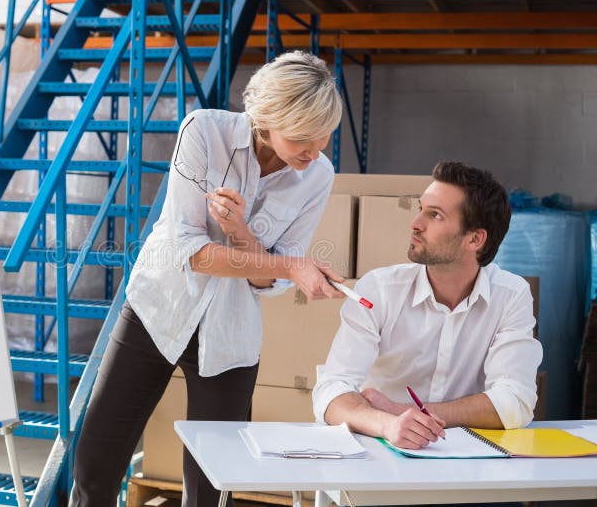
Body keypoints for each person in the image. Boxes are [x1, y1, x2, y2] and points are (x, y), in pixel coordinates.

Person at [71, 51, 345, 507]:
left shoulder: (317, 176)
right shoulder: (203, 131)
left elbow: (266, 284)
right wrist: (288, 266)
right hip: (156, 312)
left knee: (211, 489)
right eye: (303, 138)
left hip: (231, 335)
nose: (314, 152)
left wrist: (241, 233)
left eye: (324, 140)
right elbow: (190, 252)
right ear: (268, 116)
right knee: (95, 463)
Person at [313, 162, 543, 451]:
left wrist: (400, 410)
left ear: (475, 238)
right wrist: (388, 424)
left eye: (434, 215)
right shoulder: (379, 290)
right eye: (420, 209)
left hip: (466, 460)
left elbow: (515, 402)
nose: (416, 223)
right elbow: (331, 391)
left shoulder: (510, 295)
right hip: (384, 454)